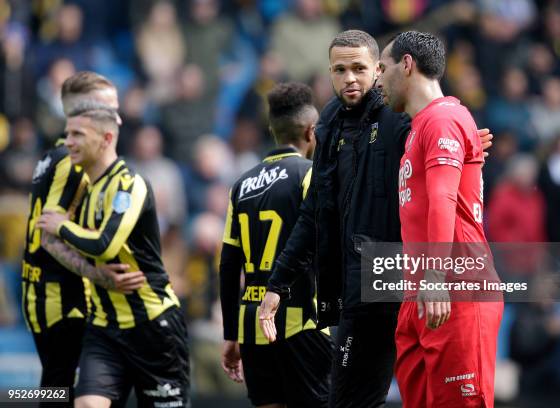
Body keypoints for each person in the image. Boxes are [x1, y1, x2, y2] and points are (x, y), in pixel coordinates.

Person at [259, 30, 493, 407]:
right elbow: (315, 212)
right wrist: (278, 283)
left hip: (406, 282)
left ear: (378, 70)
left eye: (360, 68)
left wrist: (462, 139)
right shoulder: (330, 124)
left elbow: (442, 180)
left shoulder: (402, 116)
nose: (350, 77)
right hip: (363, 288)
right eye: (340, 69)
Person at [378, 30, 503, 407]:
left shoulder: (443, 118)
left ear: (407, 65)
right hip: (421, 298)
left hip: (455, 290)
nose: (377, 80)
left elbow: (444, 197)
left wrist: (434, 277)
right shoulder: (425, 129)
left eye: (382, 69)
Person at [37, 101, 190, 408]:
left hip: (153, 326)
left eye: (78, 134)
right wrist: (93, 272)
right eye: (68, 134)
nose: (68, 142)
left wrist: (62, 226)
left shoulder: (129, 184)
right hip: (104, 327)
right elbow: (46, 239)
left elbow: (104, 244)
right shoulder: (85, 188)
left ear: (106, 139)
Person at [21, 71, 145, 404]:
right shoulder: (72, 163)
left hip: (47, 289)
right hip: (60, 295)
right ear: (81, 112)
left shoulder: (55, 153)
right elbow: (49, 234)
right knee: (62, 388)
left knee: (61, 386)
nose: (117, 116)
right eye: (109, 107)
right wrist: (100, 276)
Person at [220, 82, 333, 407]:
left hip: (253, 327)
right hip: (302, 322)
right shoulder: (310, 174)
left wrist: (232, 334)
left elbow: (228, 266)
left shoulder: (241, 185)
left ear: (272, 130)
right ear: (312, 131)